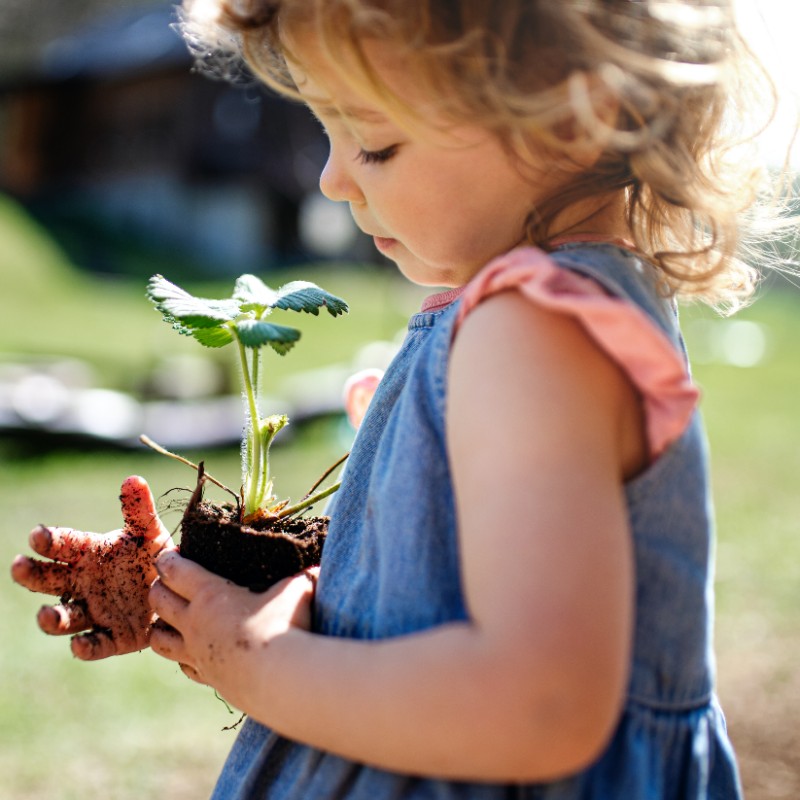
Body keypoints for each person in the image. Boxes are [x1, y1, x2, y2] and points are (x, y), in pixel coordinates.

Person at [11, 0, 793, 796]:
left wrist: (261, 663)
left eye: (375, 142)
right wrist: (206, 600)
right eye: (327, 130)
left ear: (570, 116)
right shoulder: (531, 318)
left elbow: (539, 705)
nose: (331, 176)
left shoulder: (533, 333)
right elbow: (427, 602)